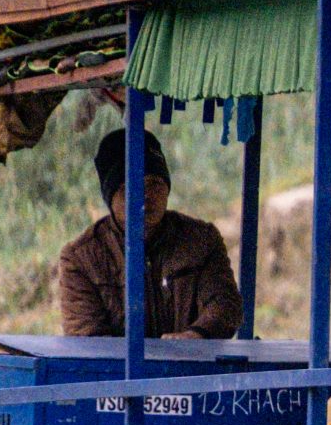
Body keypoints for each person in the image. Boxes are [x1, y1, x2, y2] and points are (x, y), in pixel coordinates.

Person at [58, 128, 243, 340]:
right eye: (131, 186)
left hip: (191, 360)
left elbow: (225, 305)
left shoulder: (201, 240)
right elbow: (86, 335)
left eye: (155, 183)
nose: (146, 195)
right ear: (111, 198)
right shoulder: (81, 259)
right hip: (115, 364)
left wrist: (197, 335)